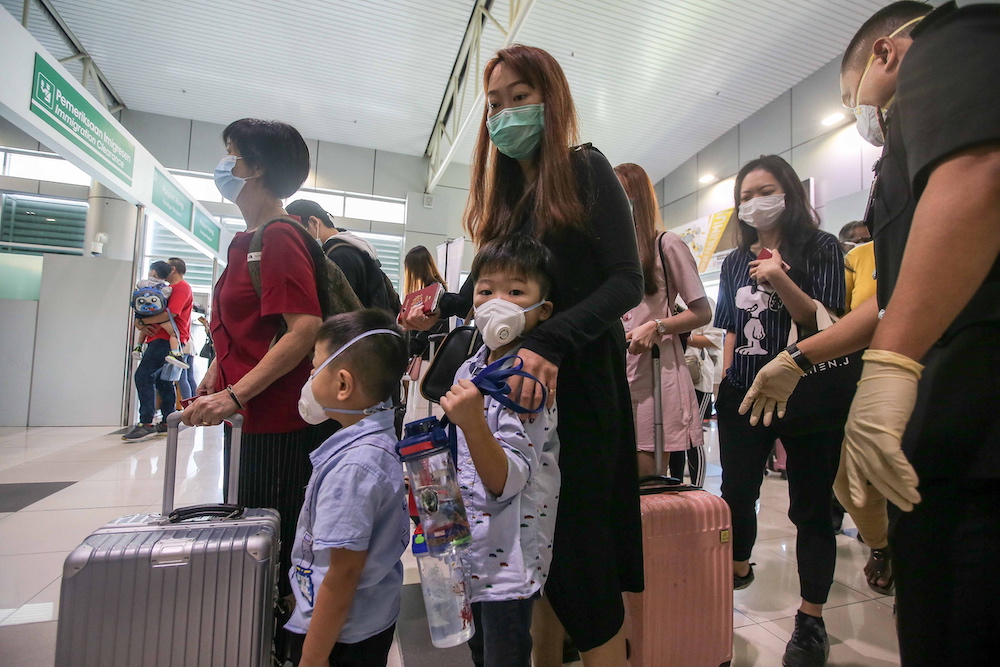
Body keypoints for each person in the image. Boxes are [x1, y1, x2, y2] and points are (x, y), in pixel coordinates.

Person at [744, 4, 1000, 663]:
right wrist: (798, 357)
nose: (860, 114)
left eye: (848, 95)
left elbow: (980, 175)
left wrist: (887, 367)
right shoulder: (899, 166)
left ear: (884, 55)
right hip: (949, 426)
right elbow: (889, 296)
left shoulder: (953, 45)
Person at [402, 45, 643, 666]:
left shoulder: (586, 170)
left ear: (550, 100)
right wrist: (451, 303)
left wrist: (550, 339)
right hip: (517, 394)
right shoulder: (510, 198)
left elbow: (624, 282)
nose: (505, 114)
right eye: (494, 104)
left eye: (519, 98)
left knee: (583, 562)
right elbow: (511, 292)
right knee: (527, 552)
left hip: (581, 389)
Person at [180, 118, 342, 611]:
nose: (224, 165)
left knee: (276, 545)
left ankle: (287, 644)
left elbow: (304, 327)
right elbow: (249, 329)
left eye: (232, 153)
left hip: (279, 422)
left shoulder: (279, 236)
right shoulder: (251, 237)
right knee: (259, 536)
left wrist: (235, 393)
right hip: (252, 417)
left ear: (258, 167)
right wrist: (217, 375)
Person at [714, 155, 853, 667]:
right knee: (736, 491)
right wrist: (729, 378)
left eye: (764, 190)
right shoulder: (732, 261)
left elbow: (825, 325)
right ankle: (735, 569)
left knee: (811, 506)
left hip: (810, 392)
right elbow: (730, 322)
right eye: (745, 196)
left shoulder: (821, 248)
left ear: (790, 192)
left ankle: (811, 617)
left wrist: (779, 276)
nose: (754, 202)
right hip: (744, 394)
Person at [439, 235, 560, 667]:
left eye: (515, 292)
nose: (497, 302)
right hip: (471, 545)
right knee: (478, 647)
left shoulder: (526, 381)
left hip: (509, 558)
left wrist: (471, 420)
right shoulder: (472, 366)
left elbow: (507, 480)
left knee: (504, 651)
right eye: (486, 290)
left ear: (542, 310)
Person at [284, 309, 409, 667]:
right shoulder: (375, 439)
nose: (309, 377)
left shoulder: (354, 468)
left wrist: (313, 656)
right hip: (370, 618)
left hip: (343, 635)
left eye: (315, 366)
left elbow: (342, 575)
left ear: (342, 384)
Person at [614, 162, 711, 484]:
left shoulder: (665, 244)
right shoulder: (609, 251)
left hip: (653, 370)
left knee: (646, 479)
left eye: (620, 193)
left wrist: (657, 326)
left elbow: (701, 311)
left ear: (636, 198)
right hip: (614, 370)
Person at [288, 199, 399, 316]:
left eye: (298, 234)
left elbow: (338, 312)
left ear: (314, 222)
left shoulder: (338, 257)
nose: (298, 242)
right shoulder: (356, 247)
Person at [124, 258, 194, 441]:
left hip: (165, 339)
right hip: (160, 337)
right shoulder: (168, 288)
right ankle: (167, 419)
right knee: (164, 380)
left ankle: (146, 422)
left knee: (143, 375)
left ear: (172, 269)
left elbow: (171, 313)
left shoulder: (180, 288)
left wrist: (142, 322)